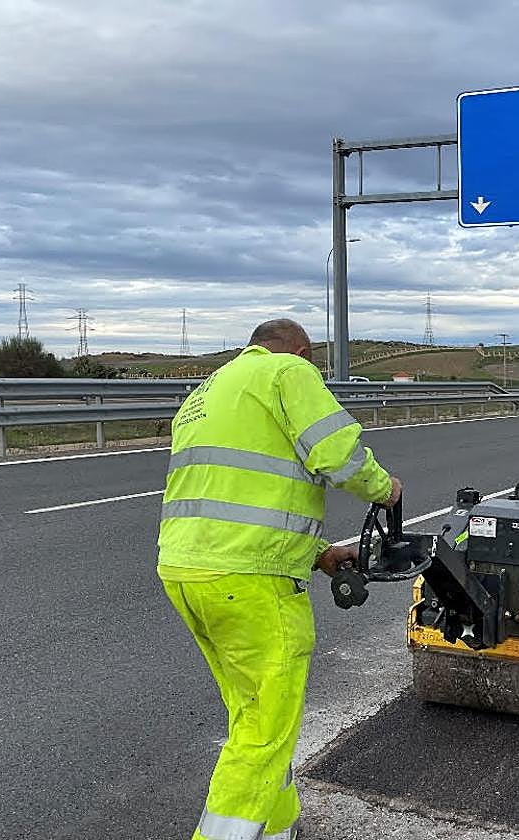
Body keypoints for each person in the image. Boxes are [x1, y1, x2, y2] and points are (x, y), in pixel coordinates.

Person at [157, 318, 402, 840]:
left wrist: (318, 554)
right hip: (251, 582)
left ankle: (276, 826)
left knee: (254, 713)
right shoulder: (288, 372)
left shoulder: (207, 392)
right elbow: (336, 454)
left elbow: (238, 502)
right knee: (265, 730)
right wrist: (386, 490)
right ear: (303, 351)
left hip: (188, 572)